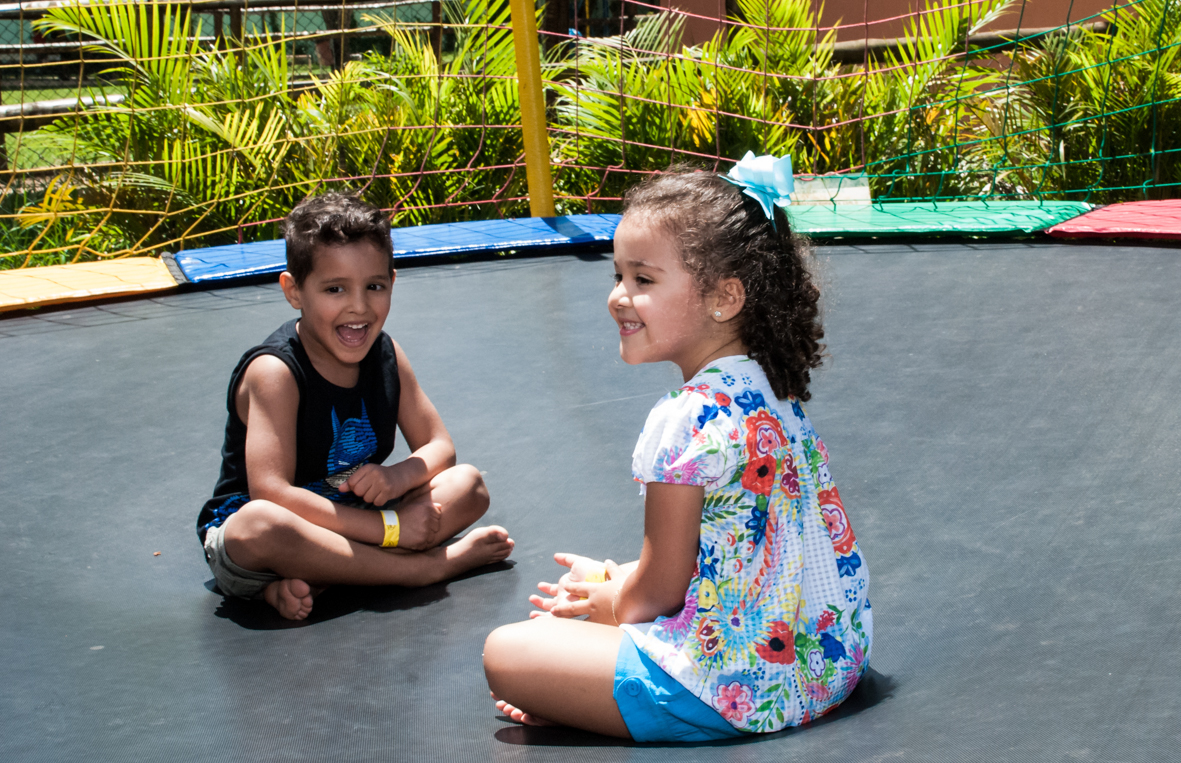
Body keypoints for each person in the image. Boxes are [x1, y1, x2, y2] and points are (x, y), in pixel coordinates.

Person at [482, 159, 871, 741]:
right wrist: (618, 576)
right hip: (827, 663)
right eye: (618, 276)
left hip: (735, 689)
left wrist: (611, 600)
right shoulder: (775, 391)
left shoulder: (684, 418)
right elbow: (738, 548)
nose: (618, 297)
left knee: (508, 653)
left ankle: (588, 696)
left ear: (725, 297)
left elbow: (660, 592)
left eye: (643, 280)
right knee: (598, 606)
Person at [196, 193, 514, 621]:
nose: (359, 307)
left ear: (392, 283)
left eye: (374, 286)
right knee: (260, 525)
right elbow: (271, 493)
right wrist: (392, 530)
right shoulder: (274, 372)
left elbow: (440, 446)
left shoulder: (387, 355)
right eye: (334, 289)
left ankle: (321, 578)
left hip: (350, 520)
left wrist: (398, 476)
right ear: (294, 291)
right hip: (275, 532)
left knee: (468, 485)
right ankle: (420, 570)